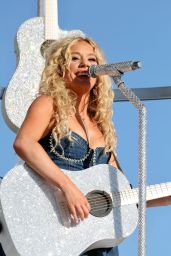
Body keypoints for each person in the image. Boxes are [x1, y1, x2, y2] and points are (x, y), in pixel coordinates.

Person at [13, 34, 171, 256]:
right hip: (53, 228)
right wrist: (68, 188)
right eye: (75, 58)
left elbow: (123, 196)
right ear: (60, 68)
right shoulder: (48, 104)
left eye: (92, 60)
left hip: (95, 241)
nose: (85, 64)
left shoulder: (103, 126)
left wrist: (165, 197)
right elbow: (24, 143)